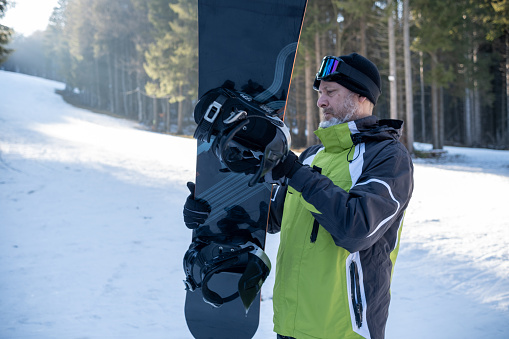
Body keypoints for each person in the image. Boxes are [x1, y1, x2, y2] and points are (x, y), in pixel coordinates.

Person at [184, 52, 414, 339]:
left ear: (361, 96)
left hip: (341, 331)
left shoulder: (388, 157)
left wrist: (294, 173)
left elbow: (356, 228)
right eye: (320, 93)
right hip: (289, 325)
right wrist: (212, 209)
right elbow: (271, 218)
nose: (321, 101)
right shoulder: (313, 156)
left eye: (330, 92)